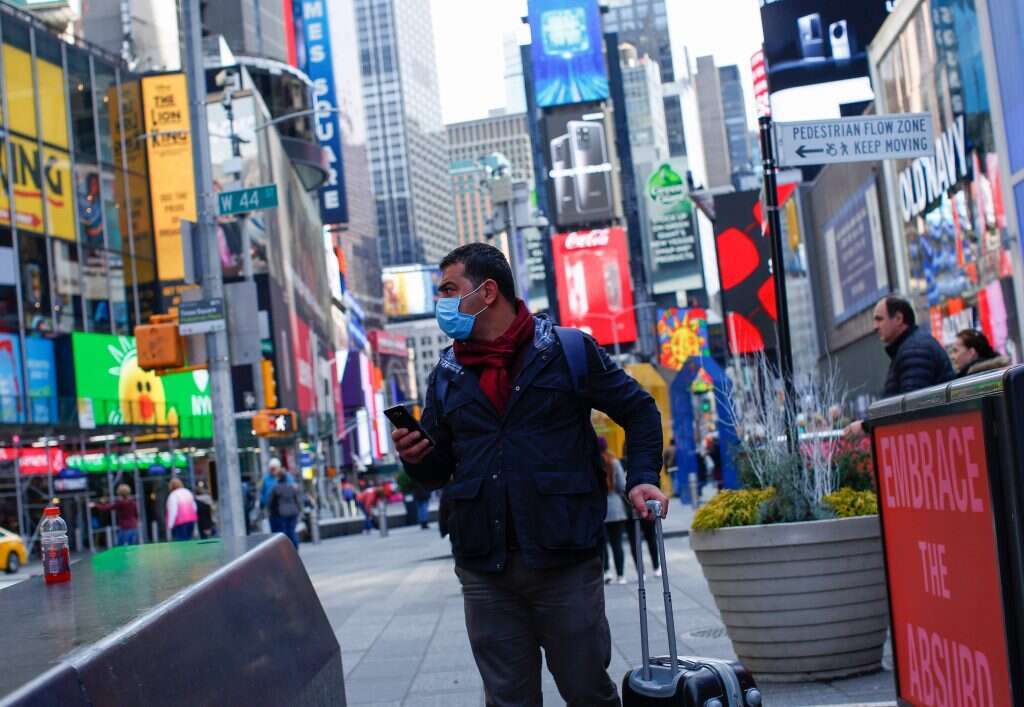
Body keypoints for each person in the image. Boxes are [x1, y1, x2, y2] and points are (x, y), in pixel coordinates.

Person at [392, 243, 665, 706]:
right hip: (484, 567)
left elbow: (639, 409)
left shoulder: (565, 350)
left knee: (587, 692)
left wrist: (640, 475)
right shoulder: (447, 373)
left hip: (564, 559)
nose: (441, 302)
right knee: (507, 700)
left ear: (488, 291)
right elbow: (439, 472)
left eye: (449, 290)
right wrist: (415, 455)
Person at [845, 295, 955, 437]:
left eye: (879, 319)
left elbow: (911, 406)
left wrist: (866, 426)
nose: (875, 327)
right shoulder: (910, 347)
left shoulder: (914, 349)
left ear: (898, 318)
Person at [600, 438, 628, 585]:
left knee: (602, 544)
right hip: (616, 509)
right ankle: (621, 575)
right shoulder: (614, 462)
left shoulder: (591, 463)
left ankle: (606, 572)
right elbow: (622, 486)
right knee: (617, 543)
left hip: (599, 510)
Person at [268, 462, 302, 549]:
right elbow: (297, 500)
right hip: (293, 512)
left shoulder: (276, 488)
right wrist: (299, 510)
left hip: (282, 513)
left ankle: (288, 550)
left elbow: (271, 502)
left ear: (278, 477)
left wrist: (271, 512)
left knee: (285, 533)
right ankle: (295, 548)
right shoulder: (291, 487)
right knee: (292, 531)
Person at [166, 477, 198, 541]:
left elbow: (173, 511)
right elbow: (194, 507)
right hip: (191, 520)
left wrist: (170, 525)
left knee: (181, 544)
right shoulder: (187, 492)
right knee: (188, 541)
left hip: (180, 523)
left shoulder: (173, 495)